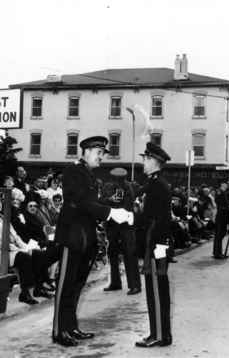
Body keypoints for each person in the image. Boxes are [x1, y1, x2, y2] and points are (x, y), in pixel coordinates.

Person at [52, 136, 131, 347]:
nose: (101, 158)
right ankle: (59, 330)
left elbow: (91, 204)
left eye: (103, 154)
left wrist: (112, 206)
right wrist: (110, 212)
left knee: (77, 284)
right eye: (99, 153)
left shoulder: (89, 175)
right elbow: (81, 201)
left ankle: (71, 326)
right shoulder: (72, 171)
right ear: (86, 151)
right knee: (65, 284)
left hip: (85, 237)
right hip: (72, 237)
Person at [133, 142, 172, 348]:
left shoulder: (157, 185)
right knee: (158, 288)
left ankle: (158, 334)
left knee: (156, 289)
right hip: (158, 244)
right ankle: (161, 333)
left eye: (145, 159)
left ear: (154, 161)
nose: (143, 162)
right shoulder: (156, 183)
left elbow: (154, 219)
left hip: (157, 244)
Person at [0, 191, 54, 304]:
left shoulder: (2, 217)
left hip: (12, 249)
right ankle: (25, 293)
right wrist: (19, 250)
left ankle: (39, 287)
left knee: (37, 254)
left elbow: (16, 236)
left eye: (0, 202)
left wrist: (25, 247)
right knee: (24, 257)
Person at [103, 167, 141, 295]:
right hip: (112, 225)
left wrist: (118, 202)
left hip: (125, 225)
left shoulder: (129, 187)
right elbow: (101, 202)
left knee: (129, 254)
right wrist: (109, 200)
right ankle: (115, 282)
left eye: (119, 180)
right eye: (115, 180)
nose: (117, 182)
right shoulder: (107, 187)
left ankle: (134, 285)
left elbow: (129, 204)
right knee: (112, 254)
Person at [213, 182, 229, 259]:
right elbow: (220, 204)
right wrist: (228, 208)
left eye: (226, 185)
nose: (226, 186)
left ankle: (217, 252)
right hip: (221, 216)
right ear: (221, 186)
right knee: (219, 235)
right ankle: (217, 253)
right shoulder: (220, 192)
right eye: (224, 185)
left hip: (223, 216)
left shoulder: (224, 193)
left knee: (220, 234)